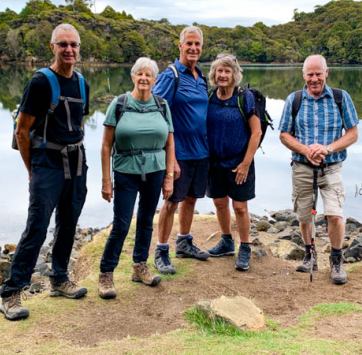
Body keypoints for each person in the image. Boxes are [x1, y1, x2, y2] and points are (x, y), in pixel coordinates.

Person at [0, 23, 90, 320]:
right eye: (62, 44)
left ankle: (59, 279)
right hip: (46, 164)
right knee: (38, 226)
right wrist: (33, 170)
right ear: (52, 47)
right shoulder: (40, 82)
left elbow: (76, 125)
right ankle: (11, 293)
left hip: (77, 163)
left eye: (73, 44)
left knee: (69, 221)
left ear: (79, 48)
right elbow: (22, 131)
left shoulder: (81, 84)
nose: (68, 49)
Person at [99, 57, 175, 299]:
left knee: (145, 220)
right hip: (125, 170)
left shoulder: (162, 105)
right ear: (133, 77)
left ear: (154, 80)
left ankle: (139, 266)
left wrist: (169, 176)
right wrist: (106, 180)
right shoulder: (119, 104)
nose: (144, 78)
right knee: (121, 224)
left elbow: (170, 143)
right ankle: (106, 273)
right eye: (139, 74)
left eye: (149, 75)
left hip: (155, 170)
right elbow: (105, 145)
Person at [279, 54, 358, 285]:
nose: (314, 79)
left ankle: (336, 260)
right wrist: (306, 150)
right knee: (305, 215)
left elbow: (352, 134)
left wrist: (327, 148)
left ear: (327, 73)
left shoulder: (341, 98)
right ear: (303, 75)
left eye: (318, 74)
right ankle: (309, 255)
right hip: (302, 168)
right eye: (310, 74)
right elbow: (284, 134)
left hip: (332, 168)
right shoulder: (293, 100)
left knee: (334, 214)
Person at [152, 26, 210, 275]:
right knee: (171, 201)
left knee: (191, 199)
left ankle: (184, 242)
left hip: (201, 152)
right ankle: (161, 250)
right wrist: (170, 158)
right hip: (179, 154)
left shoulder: (201, 76)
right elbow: (156, 112)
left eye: (197, 44)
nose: (194, 48)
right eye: (189, 44)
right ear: (180, 45)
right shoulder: (171, 76)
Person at [205, 54, 262, 271]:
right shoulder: (210, 96)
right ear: (213, 74)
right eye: (219, 71)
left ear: (234, 74)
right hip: (215, 162)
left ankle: (245, 246)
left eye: (227, 71)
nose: (222, 75)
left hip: (240, 162)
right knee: (219, 203)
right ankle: (227, 241)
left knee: (239, 206)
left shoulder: (244, 98)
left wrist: (246, 163)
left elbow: (256, 133)